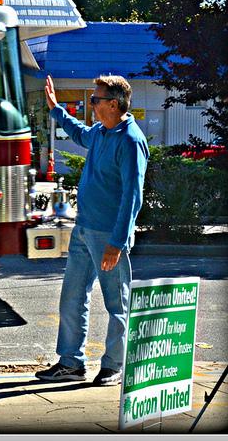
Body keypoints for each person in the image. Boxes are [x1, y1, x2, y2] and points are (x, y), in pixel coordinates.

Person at [35, 74, 149, 387]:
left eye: (96, 99)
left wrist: (117, 242)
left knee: (116, 305)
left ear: (114, 104)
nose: (92, 104)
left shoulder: (131, 140)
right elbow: (80, 133)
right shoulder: (101, 131)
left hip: (108, 236)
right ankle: (71, 363)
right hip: (84, 229)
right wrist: (57, 109)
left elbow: (132, 196)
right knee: (72, 297)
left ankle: (113, 366)